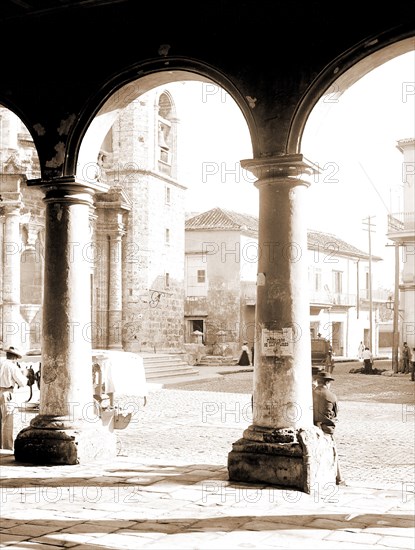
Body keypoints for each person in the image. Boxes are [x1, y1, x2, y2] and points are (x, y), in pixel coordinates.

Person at [312, 371, 344, 485]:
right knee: (334, 452)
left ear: (318, 381)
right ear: (327, 383)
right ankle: (339, 478)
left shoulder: (311, 393)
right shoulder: (332, 396)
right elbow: (335, 414)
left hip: (312, 427)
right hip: (327, 429)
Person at [0, 346, 29, 450]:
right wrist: (25, 374)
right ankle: (7, 448)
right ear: (15, 357)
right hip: (7, 393)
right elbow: (22, 383)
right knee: (7, 421)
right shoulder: (13, 367)